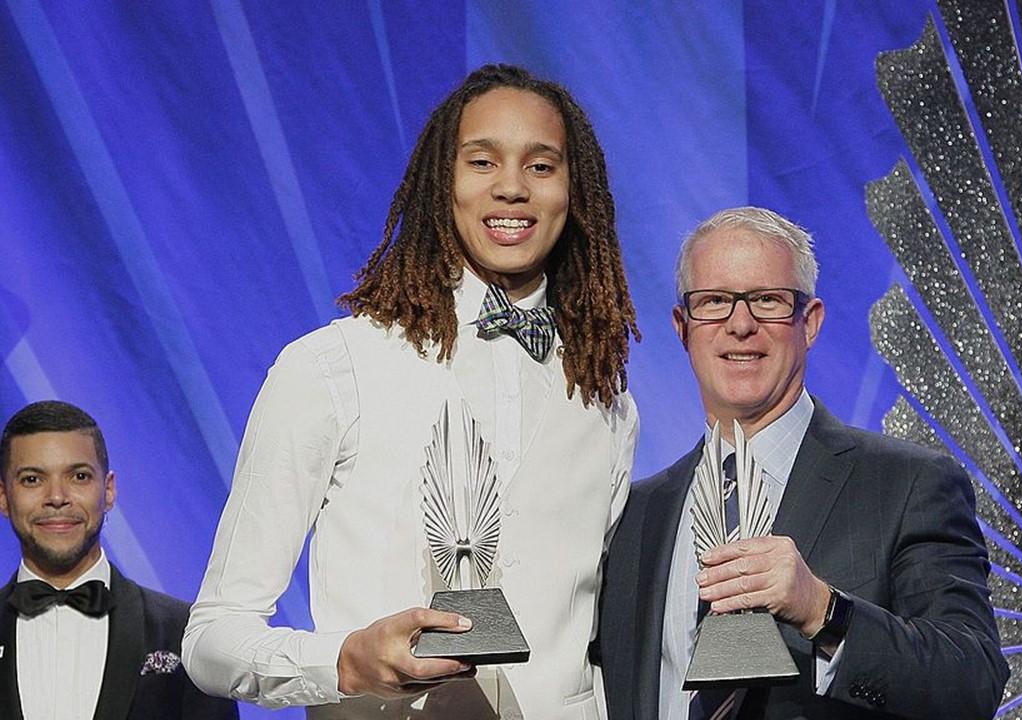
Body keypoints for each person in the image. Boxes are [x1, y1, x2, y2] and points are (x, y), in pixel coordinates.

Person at [182, 64, 639, 720]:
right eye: (482, 161)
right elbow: (212, 639)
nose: (511, 187)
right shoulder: (332, 367)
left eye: (542, 166)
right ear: (440, 182)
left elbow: (595, 643)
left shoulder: (606, 397)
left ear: (577, 191)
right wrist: (345, 660)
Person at [596, 207, 1008, 719]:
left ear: (808, 322)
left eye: (767, 300)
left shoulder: (908, 485)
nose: (740, 324)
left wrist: (823, 610)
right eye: (715, 301)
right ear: (684, 327)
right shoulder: (636, 515)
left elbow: (971, 681)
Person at [0, 400, 238, 720]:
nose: (56, 497)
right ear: (4, 496)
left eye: (79, 476)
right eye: (32, 479)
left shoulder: (185, 633)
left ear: (108, 490)